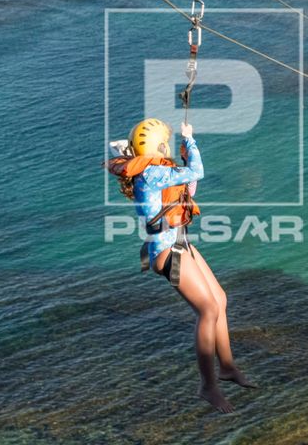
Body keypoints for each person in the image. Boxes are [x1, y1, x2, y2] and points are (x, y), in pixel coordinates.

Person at [106, 118, 254, 413]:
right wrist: (190, 139)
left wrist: (184, 154)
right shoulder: (151, 174)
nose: (167, 147)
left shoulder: (156, 171)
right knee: (208, 310)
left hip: (180, 242)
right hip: (167, 252)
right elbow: (197, 171)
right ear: (157, 147)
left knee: (220, 299)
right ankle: (207, 386)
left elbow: (188, 182)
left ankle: (226, 366)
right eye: (165, 143)